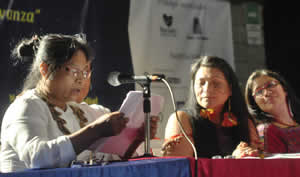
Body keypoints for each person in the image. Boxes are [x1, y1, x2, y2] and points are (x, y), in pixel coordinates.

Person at [0, 33, 157, 173]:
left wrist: (135, 139)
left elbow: (111, 161)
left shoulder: (81, 110)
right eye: (73, 70)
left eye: (85, 72)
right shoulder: (26, 106)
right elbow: (37, 157)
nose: (80, 79)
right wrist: (95, 130)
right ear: (45, 69)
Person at [162, 56, 260, 158]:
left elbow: (259, 162)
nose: (207, 89)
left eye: (216, 84)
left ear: (230, 89)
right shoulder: (181, 118)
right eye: (201, 83)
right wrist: (233, 159)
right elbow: (182, 168)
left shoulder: (244, 120)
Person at [244, 69, 300, 153]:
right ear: (255, 103)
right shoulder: (267, 131)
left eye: (270, 85)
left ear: (284, 88)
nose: (266, 93)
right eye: (259, 92)